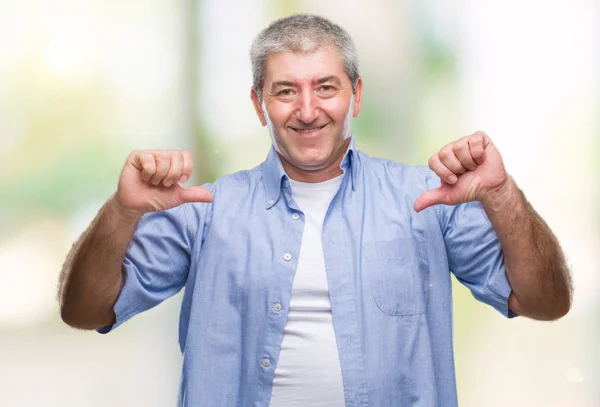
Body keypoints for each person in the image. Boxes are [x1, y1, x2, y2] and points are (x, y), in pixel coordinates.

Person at [58, 13, 572, 407]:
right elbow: (83, 312)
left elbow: (546, 303)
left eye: (325, 87)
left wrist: (501, 193)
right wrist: (122, 211)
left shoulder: (428, 200)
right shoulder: (204, 212)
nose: (307, 110)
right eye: (286, 91)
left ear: (356, 95)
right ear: (260, 104)